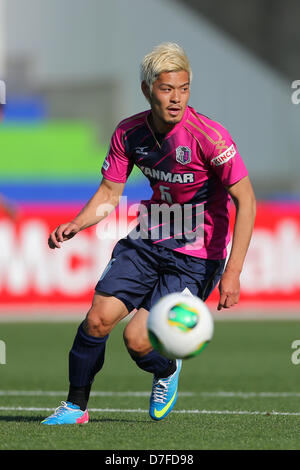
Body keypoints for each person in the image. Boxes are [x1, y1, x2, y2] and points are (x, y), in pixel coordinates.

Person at [41, 43, 256, 425]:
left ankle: (167, 369)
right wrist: (77, 223)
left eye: (184, 88)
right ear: (147, 90)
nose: (176, 99)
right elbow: (109, 194)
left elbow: (247, 200)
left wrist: (233, 271)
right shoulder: (129, 132)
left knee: (138, 339)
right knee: (97, 320)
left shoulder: (210, 137)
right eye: (167, 89)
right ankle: (75, 407)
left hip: (195, 256)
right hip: (147, 240)